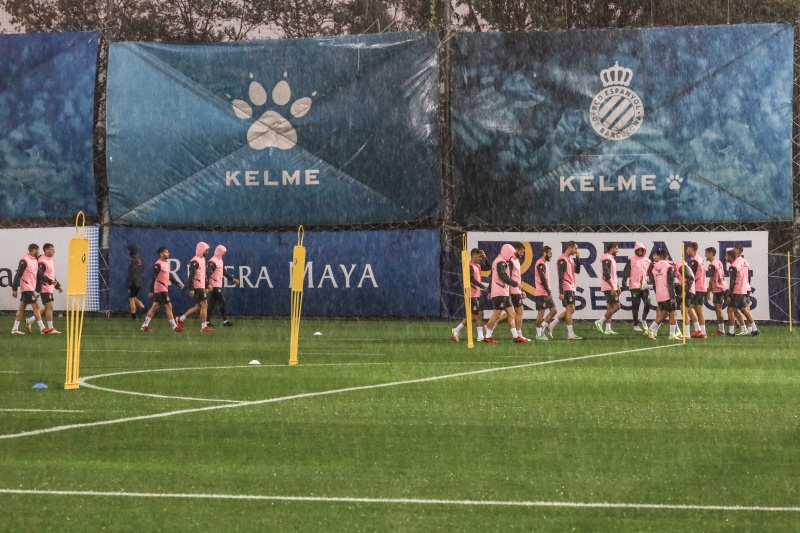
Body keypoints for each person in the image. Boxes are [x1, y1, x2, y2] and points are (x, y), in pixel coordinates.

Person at [484, 244, 527, 343]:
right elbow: (503, 277)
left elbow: (494, 276)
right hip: (500, 291)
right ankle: (488, 335)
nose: (512, 255)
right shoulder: (501, 262)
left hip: (504, 292)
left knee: (512, 314)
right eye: (511, 253)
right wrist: (516, 284)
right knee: (496, 315)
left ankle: (516, 337)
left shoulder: (501, 261)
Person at [141, 247, 185, 332]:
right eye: (166, 252)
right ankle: (174, 327)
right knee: (168, 306)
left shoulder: (165, 263)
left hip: (162, 289)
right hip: (161, 289)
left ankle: (144, 326)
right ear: (161, 254)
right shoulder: (158, 264)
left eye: (168, 252)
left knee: (154, 307)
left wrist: (177, 283)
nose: (168, 253)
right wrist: (151, 290)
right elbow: (154, 277)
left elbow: (169, 276)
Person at [10, 244, 50, 335]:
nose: (39, 252)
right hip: (26, 287)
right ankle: (42, 328)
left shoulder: (34, 260)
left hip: (30, 287)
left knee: (21, 308)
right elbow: (18, 274)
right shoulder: (24, 260)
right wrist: (14, 288)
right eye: (38, 250)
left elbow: (39, 273)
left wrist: (49, 281)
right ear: (33, 250)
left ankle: (15, 329)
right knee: (36, 307)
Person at [645, 249, 683, 341]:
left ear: (660, 256)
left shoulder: (654, 268)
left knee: (662, 314)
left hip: (659, 295)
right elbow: (670, 283)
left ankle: (650, 330)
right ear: (666, 256)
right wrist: (672, 297)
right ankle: (672, 334)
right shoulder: (669, 267)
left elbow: (654, 284)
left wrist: (658, 294)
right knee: (673, 314)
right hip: (667, 294)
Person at [25, 243, 63, 334]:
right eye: (52, 249)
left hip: (50, 287)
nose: (54, 251)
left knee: (47, 308)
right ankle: (51, 329)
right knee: (50, 306)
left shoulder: (50, 260)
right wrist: (39, 286)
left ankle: (30, 320)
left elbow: (51, 275)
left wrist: (57, 285)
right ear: (46, 250)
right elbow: (39, 275)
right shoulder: (42, 261)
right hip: (45, 287)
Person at [548, 240, 582, 340]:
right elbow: (561, 276)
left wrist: (578, 259)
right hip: (566, 287)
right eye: (575, 248)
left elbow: (577, 271)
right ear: (569, 248)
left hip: (571, 286)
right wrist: (561, 291)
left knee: (571, 310)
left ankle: (552, 325)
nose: (576, 251)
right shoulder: (562, 259)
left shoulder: (570, 259)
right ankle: (570, 334)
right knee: (570, 309)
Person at [176, 242, 213, 332]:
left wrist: (207, 284)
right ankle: (203, 327)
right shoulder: (195, 261)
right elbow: (191, 276)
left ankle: (181, 319)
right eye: (206, 250)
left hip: (200, 286)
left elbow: (203, 275)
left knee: (198, 307)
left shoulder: (202, 259)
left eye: (208, 250)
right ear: (201, 250)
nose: (207, 252)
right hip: (197, 287)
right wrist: (192, 288)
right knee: (204, 305)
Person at [452, 249, 487, 342]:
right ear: (474, 255)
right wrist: (483, 287)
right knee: (474, 316)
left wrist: (485, 258)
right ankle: (456, 330)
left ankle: (480, 336)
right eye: (479, 257)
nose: (480, 259)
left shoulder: (478, 265)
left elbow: (488, 267)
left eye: (481, 257)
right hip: (471, 294)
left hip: (478, 293)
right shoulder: (468, 265)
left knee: (480, 314)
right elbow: (472, 279)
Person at [727, 247, 759, 336]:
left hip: (738, 290)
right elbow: (748, 276)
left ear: (739, 251)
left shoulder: (735, 264)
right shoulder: (745, 262)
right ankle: (753, 329)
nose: (733, 251)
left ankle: (731, 331)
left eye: (734, 250)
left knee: (731, 310)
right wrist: (747, 285)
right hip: (745, 288)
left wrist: (729, 293)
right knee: (744, 310)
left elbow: (733, 280)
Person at [207, 245, 241, 328]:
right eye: (223, 252)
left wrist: (233, 279)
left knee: (211, 304)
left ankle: (206, 321)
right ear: (219, 251)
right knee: (222, 301)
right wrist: (208, 284)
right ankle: (225, 321)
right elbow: (208, 274)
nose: (224, 254)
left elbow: (224, 272)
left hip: (216, 285)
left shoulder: (220, 260)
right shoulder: (213, 261)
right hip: (215, 286)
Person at [621, 242, 652, 331]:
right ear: (635, 251)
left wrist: (651, 282)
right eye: (638, 250)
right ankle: (635, 325)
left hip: (644, 286)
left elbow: (651, 272)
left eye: (641, 250)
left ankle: (644, 319)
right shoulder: (631, 260)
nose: (639, 252)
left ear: (644, 251)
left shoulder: (648, 261)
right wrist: (624, 281)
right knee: (636, 304)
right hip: (634, 286)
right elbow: (626, 271)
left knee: (648, 303)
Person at [595, 242, 621, 335]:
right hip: (609, 287)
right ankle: (600, 321)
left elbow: (612, 275)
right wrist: (613, 286)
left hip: (611, 286)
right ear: (612, 248)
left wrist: (617, 285)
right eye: (616, 248)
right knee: (617, 306)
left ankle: (608, 329)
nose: (617, 250)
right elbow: (606, 275)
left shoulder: (611, 259)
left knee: (610, 308)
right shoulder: (607, 259)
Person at [506, 242, 530, 341]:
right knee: (518, 311)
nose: (522, 254)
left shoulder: (517, 260)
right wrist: (510, 289)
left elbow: (517, 277)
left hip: (517, 289)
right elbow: (509, 276)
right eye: (521, 252)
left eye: (523, 252)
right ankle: (518, 335)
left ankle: (491, 326)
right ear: (516, 249)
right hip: (512, 289)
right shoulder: (511, 260)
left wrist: (521, 290)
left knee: (512, 312)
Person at [533, 246, 557, 341]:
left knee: (553, 311)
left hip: (545, 292)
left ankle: (542, 328)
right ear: (544, 253)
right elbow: (543, 279)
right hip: (541, 293)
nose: (551, 255)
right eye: (550, 253)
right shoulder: (540, 264)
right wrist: (548, 291)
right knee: (541, 313)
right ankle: (538, 333)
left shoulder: (543, 264)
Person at [685, 242, 707, 338]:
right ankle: (702, 332)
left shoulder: (694, 261)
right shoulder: (700, 259)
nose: (687, 250)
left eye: (688, 248)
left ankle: (698, 329)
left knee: (688, 308)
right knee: (699, 310)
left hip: (697, 287)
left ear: (692, 248)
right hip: (702, 287)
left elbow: (691, 276)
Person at [705, 246, 728, 336]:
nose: (705, 255)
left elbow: (712, 280)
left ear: (711, 253)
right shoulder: (719, 262)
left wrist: (708, 292)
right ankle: (739, 327)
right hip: (724, 286)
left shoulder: (712, 265)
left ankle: (721, 330)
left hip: (718, 288)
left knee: (718, 309)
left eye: (706, 253)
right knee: (732, 308)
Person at [673, 256, 696, 338]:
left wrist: (685, 291)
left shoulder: (681, 267)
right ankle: (690, 332)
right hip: (689, 290)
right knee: (685, 311)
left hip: (688, 291)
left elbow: (690, 278)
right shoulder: (681, 267)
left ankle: (687, 334)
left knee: (684, 311)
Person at [127, 243, 145, 320]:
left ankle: (133, 316)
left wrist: (130, 284)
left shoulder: (133, 259)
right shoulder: (139, 259)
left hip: (134, 282)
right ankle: (143, 309)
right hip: (139, 281)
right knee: (134, 298)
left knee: (131, 299)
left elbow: (132, 272)